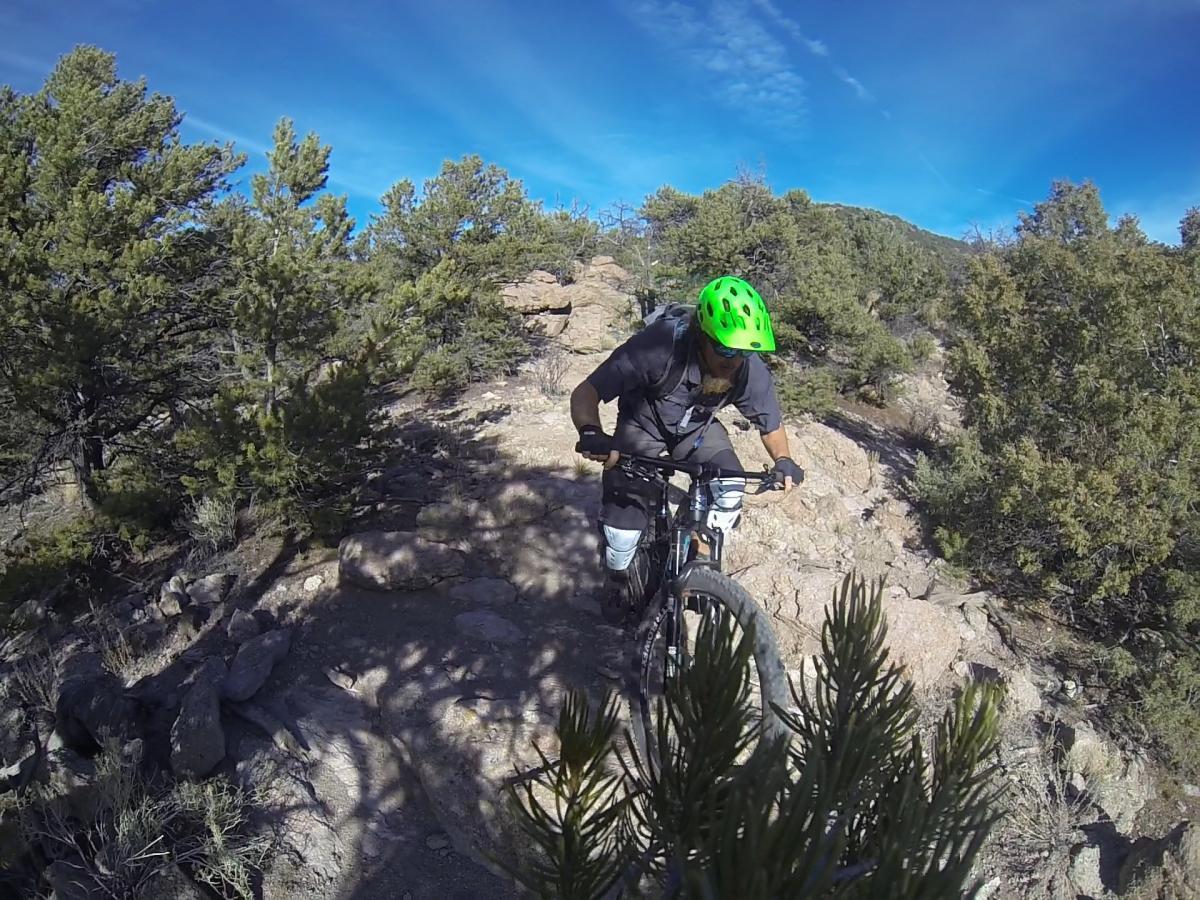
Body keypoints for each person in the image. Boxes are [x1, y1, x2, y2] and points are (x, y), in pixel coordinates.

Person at [569, 275, 804, 623]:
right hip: (642, 425)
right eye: (725, 349)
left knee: (729, 486)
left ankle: (700, 565)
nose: (734, 361)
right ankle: (618, 579)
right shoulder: (658, 347)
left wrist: (783, 460)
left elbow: (770, 423)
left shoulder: (745, 368)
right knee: (623, 529)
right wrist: (592, 432)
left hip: (696, 430)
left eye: (743, 352)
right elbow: (586, 392)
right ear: (701, 336)